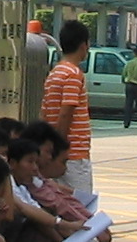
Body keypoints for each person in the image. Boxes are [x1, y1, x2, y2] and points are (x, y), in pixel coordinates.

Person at [41, 19, 96, 198]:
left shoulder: (54, 73)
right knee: (81, 202)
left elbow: (44, 113)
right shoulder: (73, 74)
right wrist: (60, 149)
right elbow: (66, 113)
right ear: (83, 45)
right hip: (73, 153)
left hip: (56, 153)